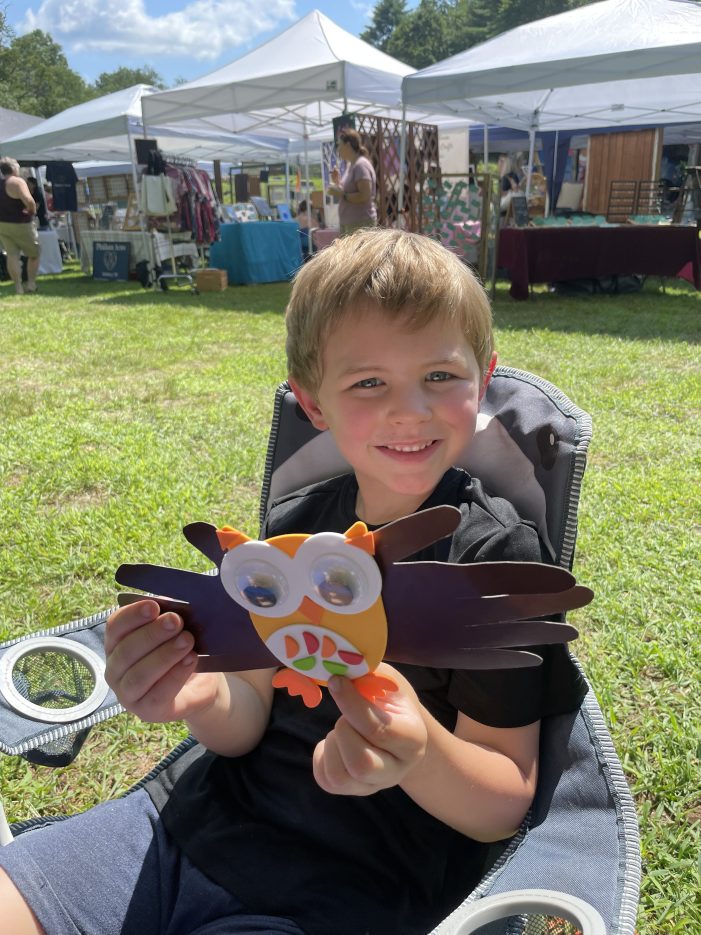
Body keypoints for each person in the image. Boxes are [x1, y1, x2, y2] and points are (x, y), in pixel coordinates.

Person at [0, 228, 586, 935]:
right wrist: (200, 694)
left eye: (440, 375)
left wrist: (417, 749)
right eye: (369, 382)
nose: (410, 408)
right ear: (313, 405)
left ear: (482, 378)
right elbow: (243, 717)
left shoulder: (496, 561)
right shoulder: (299, 529)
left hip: (344, 891)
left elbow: (503, 798)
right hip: (184, 829)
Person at [0, 157, 40, 295]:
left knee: (12, 255)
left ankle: (18, 287)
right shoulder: (17, 182)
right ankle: (31, 284)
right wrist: (32, 211)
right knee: (34, 253)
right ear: (14, 168)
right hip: (21, 222)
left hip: (2, 224)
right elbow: (29, 200)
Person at [327, 128, 378, 235]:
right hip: (351, 224)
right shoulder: (351, 165)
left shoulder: (361, 165)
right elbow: (348, 191)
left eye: (340, 145)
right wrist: (337, 182)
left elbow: (364, 195)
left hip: (361, 225)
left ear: (348, 145)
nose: (338, 149)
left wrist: (341, 194)